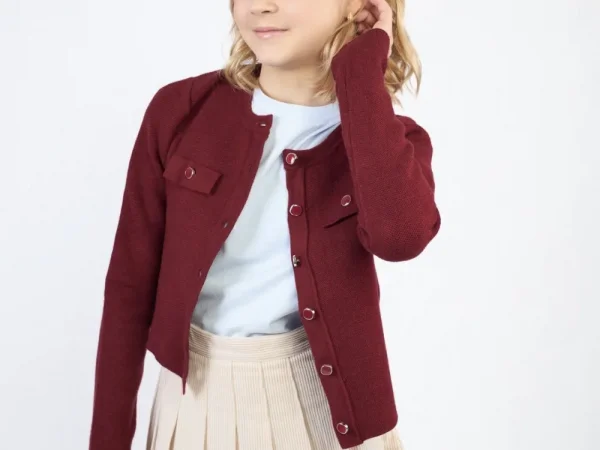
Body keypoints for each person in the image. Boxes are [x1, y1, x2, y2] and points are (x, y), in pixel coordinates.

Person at [89, 0, 441, 449]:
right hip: (195, 404)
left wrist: (361, 75)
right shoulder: (181, 111)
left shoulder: (391, 141)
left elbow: (399, 238)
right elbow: (130, 286)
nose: (261, 6)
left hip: (329, 414)